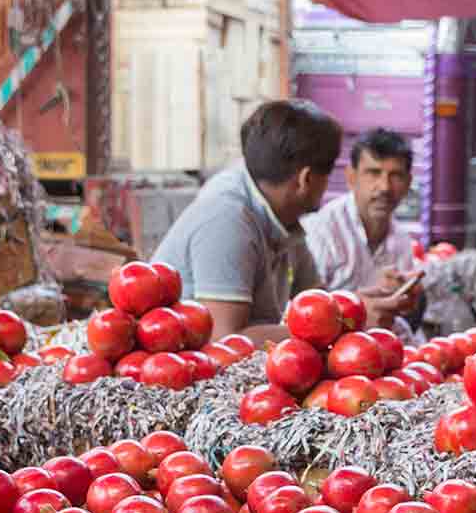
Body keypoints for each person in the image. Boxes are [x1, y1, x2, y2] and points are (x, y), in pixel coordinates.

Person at [153, 98, 339, 341]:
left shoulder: (284, 218)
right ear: (306, 179)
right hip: (185, 370)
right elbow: (227, 339)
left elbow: (317, 300)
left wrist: (357, 307)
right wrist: (333, 330)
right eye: (327, 175)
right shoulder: (227, 218)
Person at [303, 127, 425, 332]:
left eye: (395, 175)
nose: (385, 187)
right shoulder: (321, 231)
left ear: (408, 183)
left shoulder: (401, 240)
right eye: (373, 173)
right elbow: (303, 312)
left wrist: (404, 298)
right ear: (351, 177)